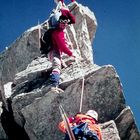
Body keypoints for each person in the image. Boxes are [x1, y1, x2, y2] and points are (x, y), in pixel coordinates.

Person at [48, 4, 76, 93]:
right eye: (62, 23)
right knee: (56, 65)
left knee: (59, 63)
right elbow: (62, 47)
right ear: (59, 22)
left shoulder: (59, 29)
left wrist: (66, 11)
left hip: (54, 50)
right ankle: (53, 87)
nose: (64, 25)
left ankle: (55, 82)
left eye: (65, 23)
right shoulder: (57, 33)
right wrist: (71, 54)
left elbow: (73, 20)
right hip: (53, 50)